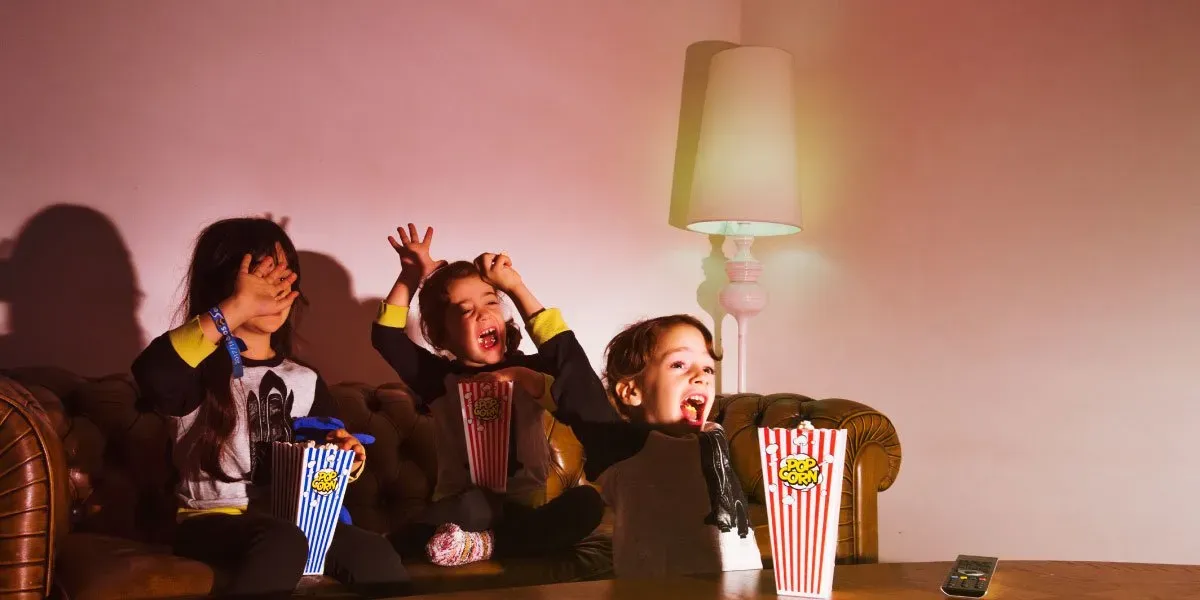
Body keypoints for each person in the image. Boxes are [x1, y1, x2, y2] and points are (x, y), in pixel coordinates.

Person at [131, 217, 408, 598]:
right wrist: (237, 308)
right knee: (282, 540)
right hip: (211, 521)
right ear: (224, 286)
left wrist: (346, 458)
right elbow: (152, 371)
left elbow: (321, 458)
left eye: (283, 276)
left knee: (373, 550)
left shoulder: (305, 380)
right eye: (260, 276)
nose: (274, 288)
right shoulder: (195, 372)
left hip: (293, 519)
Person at [373, 224, 612, 566]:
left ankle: (485, 545)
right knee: (473, 504)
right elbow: (387, 338)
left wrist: (515, 287)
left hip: (527, 510)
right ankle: (403, 546)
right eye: (465, 310)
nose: (483, 313)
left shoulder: (532, 370)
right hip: (463, 511)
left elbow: (571, 364)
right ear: (442, 337)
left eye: (491, 302)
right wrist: (412, 277)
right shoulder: (439, 380)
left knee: (587, 503)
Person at [572, 314, 763, 578]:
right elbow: (574, 380)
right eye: (679, 364)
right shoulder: (626, 448)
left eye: (708, 368)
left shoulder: (712, 433)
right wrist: (518, 291)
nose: (701, 376)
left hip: (739, 585)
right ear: (632, 392)